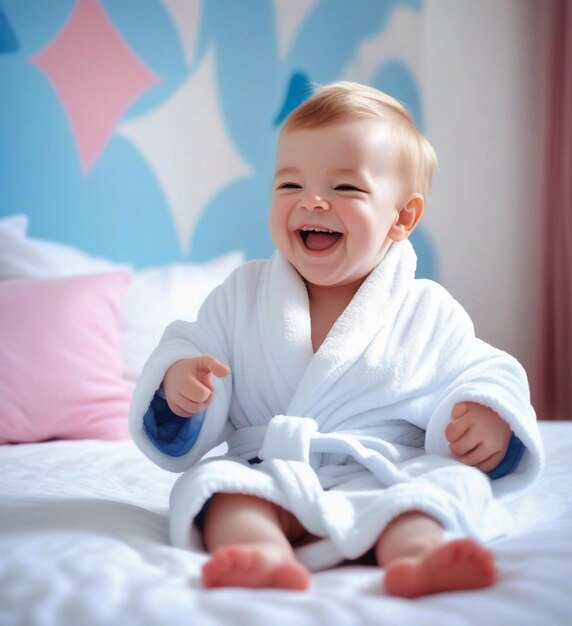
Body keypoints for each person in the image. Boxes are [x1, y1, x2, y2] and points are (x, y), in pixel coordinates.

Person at [129, 82, 543, 598]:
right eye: (289, 186)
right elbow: (192, 345)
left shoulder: (425, 309)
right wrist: (180, 383)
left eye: (345, 188)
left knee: (439, 489)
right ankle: (259, 554)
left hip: (384, 474)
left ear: (403, 217)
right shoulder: (242, 293)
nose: (314, 202)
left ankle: (419, 557)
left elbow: (483, 372)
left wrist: (486, 414)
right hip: (271, 472)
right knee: (217, 491)